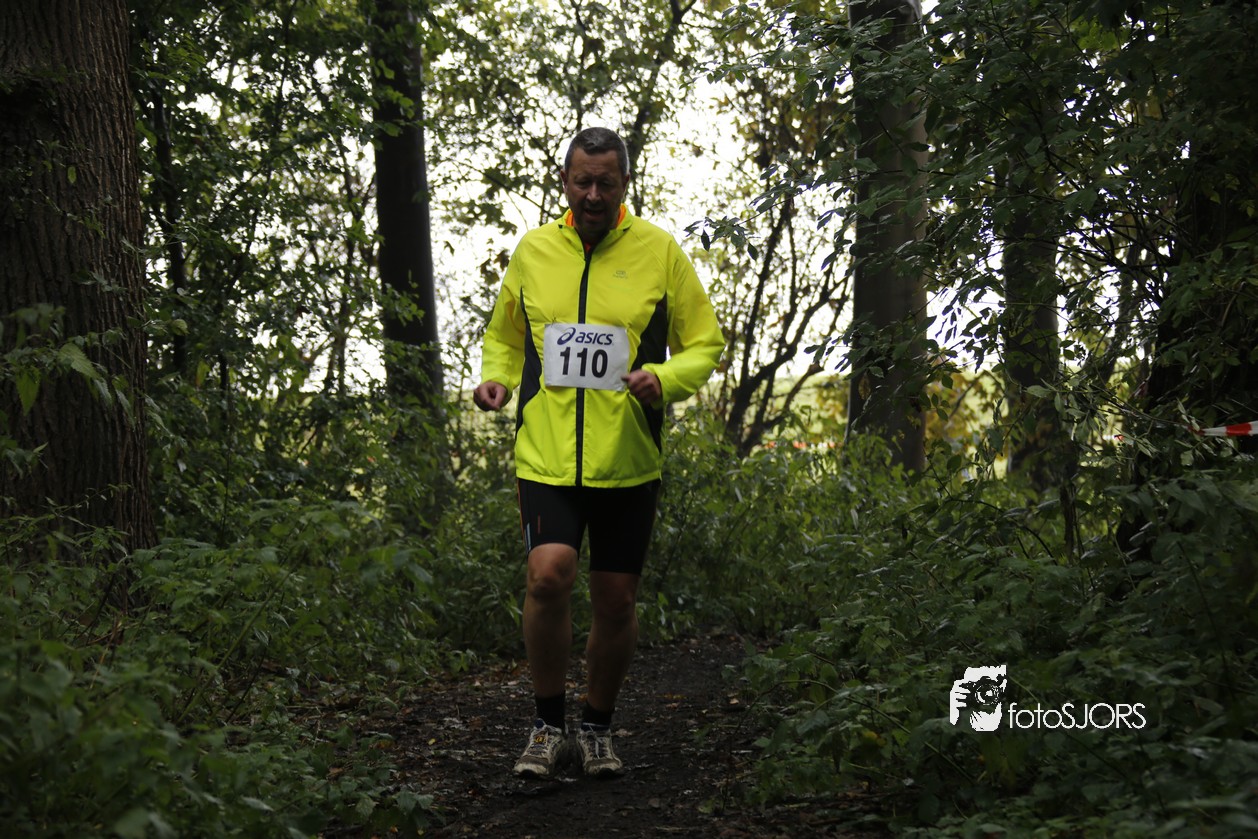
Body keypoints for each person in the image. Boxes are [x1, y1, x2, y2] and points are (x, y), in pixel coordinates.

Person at [473, 127, 724, 779]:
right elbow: (505, 335)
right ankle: (545, 727)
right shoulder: (534, 251)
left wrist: (664, 378)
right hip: (546, 455)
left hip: (627, 459)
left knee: (615, 600)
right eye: (581, 181)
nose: (592, 194)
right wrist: (497, 378)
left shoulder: (658, 251)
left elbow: (705, 343)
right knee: (548, 574)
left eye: (605, 183)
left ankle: (597, 728)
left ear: (623, 185)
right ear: (564, 181)